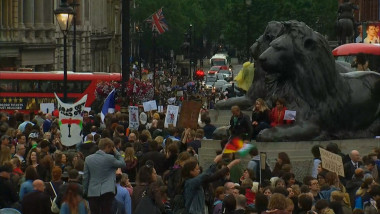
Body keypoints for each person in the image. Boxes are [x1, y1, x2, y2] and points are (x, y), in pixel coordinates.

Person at [83, 137, 126, 214]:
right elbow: (122, 163)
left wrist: (85, 191)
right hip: (107, 191)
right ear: (107, 146)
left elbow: (85, 177)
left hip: (93, 191)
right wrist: (116, 152)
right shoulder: (110, 158)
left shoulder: (88, 159)